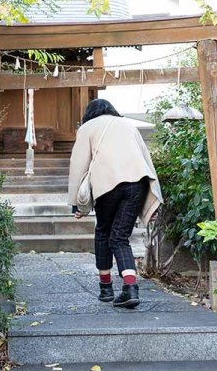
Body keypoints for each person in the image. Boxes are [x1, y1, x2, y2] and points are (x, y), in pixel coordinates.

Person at [68, 99, 162, 309]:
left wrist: (76, 203)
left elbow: (78, 164)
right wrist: (154, 200)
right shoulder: (128, 125)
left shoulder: (88, 127)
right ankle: (130, 288)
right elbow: (146, 160)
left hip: (107, 185)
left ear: (90, 113)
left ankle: (106, 288)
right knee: (120, 237)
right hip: (137, 184)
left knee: (103, 231)